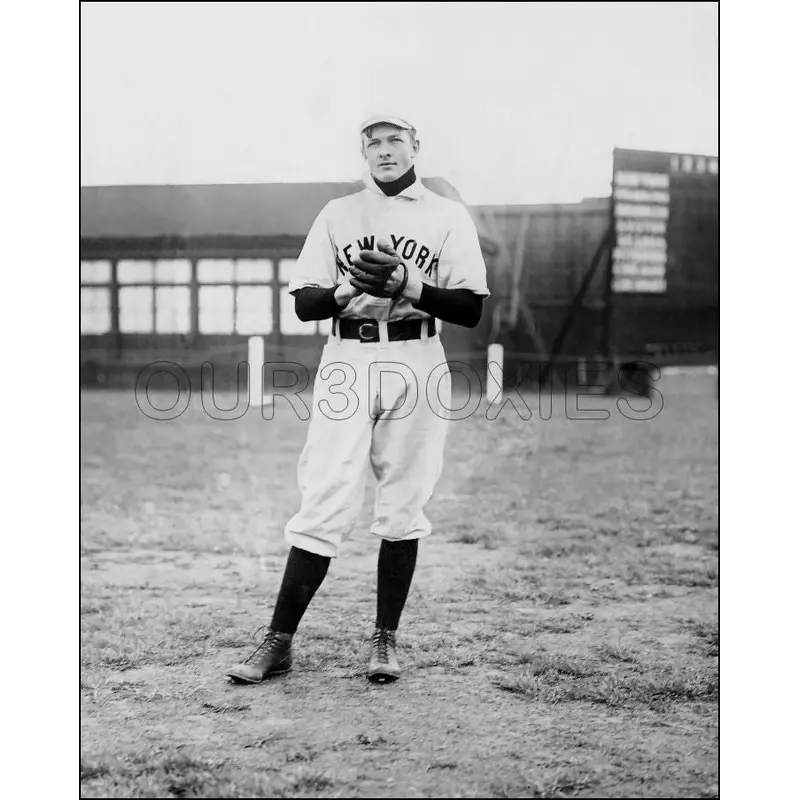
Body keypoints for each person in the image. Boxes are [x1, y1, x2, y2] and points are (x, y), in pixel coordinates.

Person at [226, 114, 490, 685]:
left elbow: (470, 307)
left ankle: (384, 640)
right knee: (323, 494)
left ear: (416, 146)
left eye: (396, 140)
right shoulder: (338, 213)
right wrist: (351, 288)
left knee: (404, 500)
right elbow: (305, 304)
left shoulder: (447, 216)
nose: (384, 150)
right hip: (348, 357)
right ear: (362, 153)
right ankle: (278, 641)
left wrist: (407, 287)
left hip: (418, 356)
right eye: (373, 142)